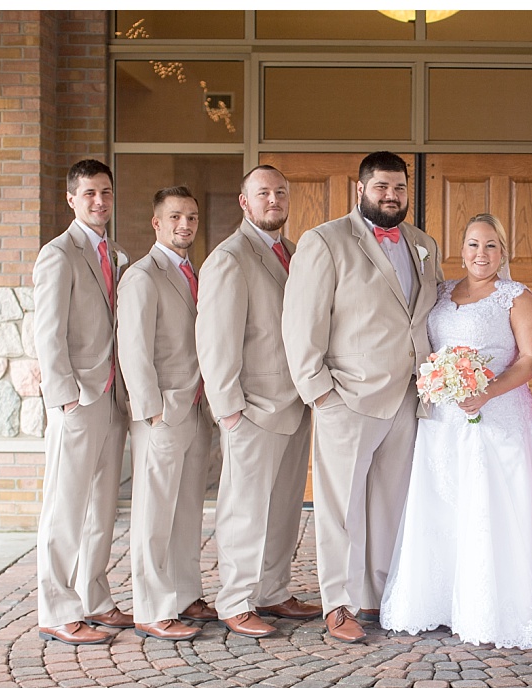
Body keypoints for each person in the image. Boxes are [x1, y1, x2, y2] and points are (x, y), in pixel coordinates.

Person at [282, 152, 443, 643]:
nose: (390, 196)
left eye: (398, 188)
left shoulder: (422, 244)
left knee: (391, 503)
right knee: (340, 508)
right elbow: (301, 322)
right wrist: (320, 393)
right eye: (380, 187)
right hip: (347, 398)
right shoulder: (325, 241)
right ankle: (339, 603)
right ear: (360, 188)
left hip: (409, 398)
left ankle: (378, 597)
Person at [381, 214, 532, 649]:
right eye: (475, 245)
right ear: (462, 249)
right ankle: (440, 601)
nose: (482, 254)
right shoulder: (441, 293)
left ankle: (487, 607)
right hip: (443, 420)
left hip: (496, 416)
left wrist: (488, 391)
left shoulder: (516, 297)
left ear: (504, 252)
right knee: (444, 502)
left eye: (492, 246)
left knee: (489, 505)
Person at [196, 165, 320, 639]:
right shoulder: (229, 258)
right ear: (244, 202)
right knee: (244, 508)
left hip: (295, 401)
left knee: (285, 506)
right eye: (263, 193)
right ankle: (235, 598)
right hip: (251, 407)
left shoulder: (294, 253)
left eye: (281, 192)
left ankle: (273, 589)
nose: (274, 200)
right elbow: (215, 341)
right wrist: (228, 408)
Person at [33, 160, 132, 645]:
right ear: (71, 199)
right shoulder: (59, 253)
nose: (99, 201)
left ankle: (93, 596)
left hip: (113, 397)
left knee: (101, 508)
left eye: (106, 193)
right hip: (78, 400)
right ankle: (55, 607)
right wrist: (65, 399)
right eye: (90, 193)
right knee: (65, 507)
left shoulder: (117, 254)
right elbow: (47, 333)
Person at [116, 186, 216, 641]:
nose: (185, 225)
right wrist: (151, 412)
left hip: (196, 407)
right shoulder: (142, 275)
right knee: (154, 513)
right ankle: (151, 607)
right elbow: (133, 350)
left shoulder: (194, 271)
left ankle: (184, 593)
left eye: (192, 217)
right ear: (157, 222)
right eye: (176, 217)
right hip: (163, 411)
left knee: (187, 508)